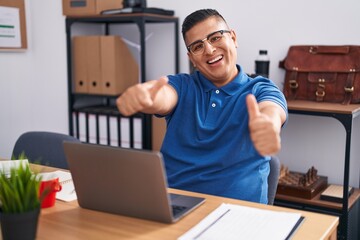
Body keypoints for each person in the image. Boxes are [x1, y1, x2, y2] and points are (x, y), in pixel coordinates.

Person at [116, 9, 287, 204]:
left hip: (236, 214)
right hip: (171, 207)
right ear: (192, 58)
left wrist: (267, 124)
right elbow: (163, 96)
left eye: (215, 38)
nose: (209, 50)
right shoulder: (182, 85)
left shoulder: (260, 89)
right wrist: (146, 98)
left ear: (233, 38)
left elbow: (271, 110)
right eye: (198, 46)